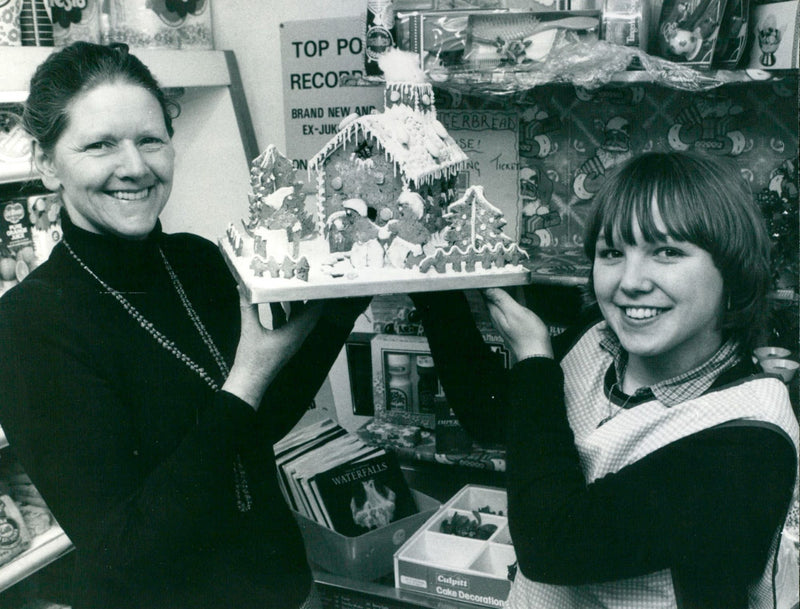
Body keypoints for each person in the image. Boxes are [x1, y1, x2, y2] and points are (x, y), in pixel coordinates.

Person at [0, 42, 368, 609]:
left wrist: (350, 289)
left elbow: (255, 425)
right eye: (100, 145)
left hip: (283, 590)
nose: (135, 167)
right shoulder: (28, 323)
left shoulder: (196, 261)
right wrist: (248, 375)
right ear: (48, 164)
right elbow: (123, 549)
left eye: (150, 139)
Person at [410, 152, 799, 609]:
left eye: (667, 252)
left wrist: (535, 358)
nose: (630, 282)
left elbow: (552, 544)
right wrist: (425, 277)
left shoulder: (752, 439)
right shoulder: (599, 342)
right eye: (612, 252)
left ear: (732, 271)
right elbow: (496, 420)